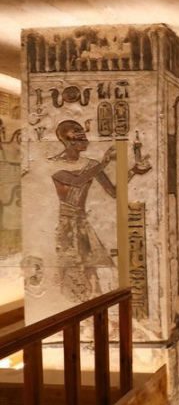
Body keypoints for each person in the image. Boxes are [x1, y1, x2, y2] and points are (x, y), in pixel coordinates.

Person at [51, 120, 150, 301]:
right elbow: (77, 181)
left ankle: (92, 307)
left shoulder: (91, 165)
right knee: (71, 270)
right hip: (66, 225)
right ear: (69, 141)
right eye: (81, 137)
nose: (86, 140)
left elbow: (113, 192)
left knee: (90, 270)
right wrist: (103, 164)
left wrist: (133, 171)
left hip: (82, 224)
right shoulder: (54, 164)